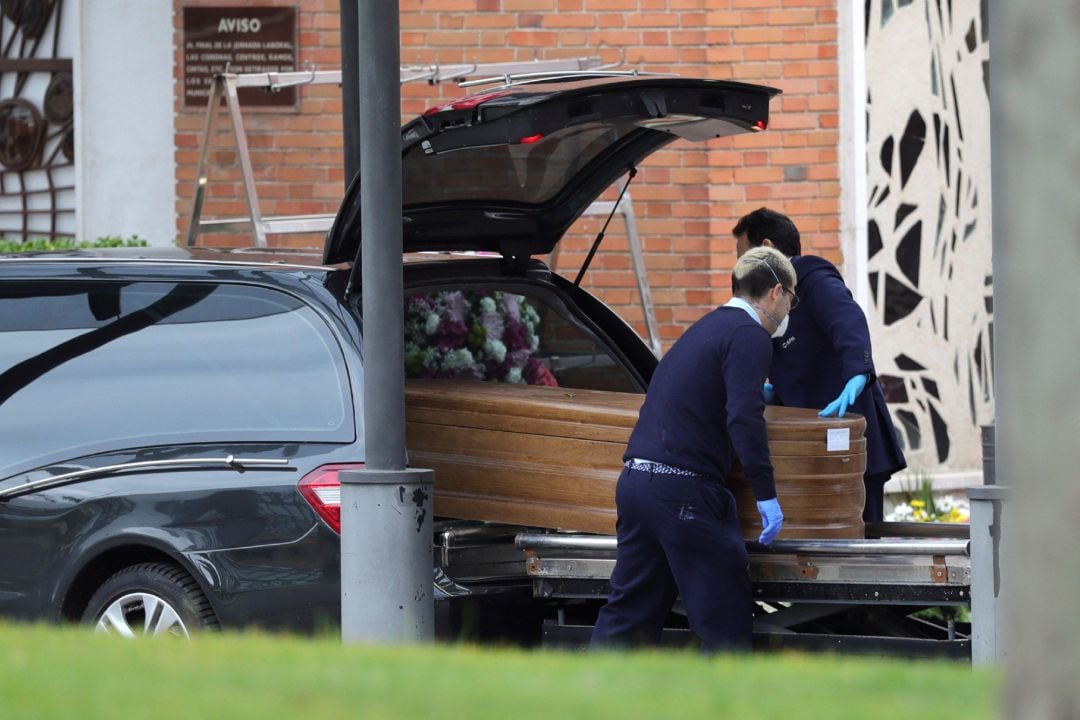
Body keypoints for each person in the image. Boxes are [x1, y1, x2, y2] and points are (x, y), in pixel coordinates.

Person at [590, 246, 795, 652]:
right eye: (792, 298)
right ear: (776, 292)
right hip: (686, 495)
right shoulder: (751, 335)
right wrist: (767, 494)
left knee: (629, 617)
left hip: (637, 485)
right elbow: (744, 417)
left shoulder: (706, 328)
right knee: (724, 627)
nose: (790, 309)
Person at [732, 207, 907, 522]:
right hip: (814, 445)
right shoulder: (770, 300)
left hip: (853, 439)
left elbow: (848, 318)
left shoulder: (811, 278)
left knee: (861, 541)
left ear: (768, 249)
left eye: (743, 257)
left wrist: (857, 372)